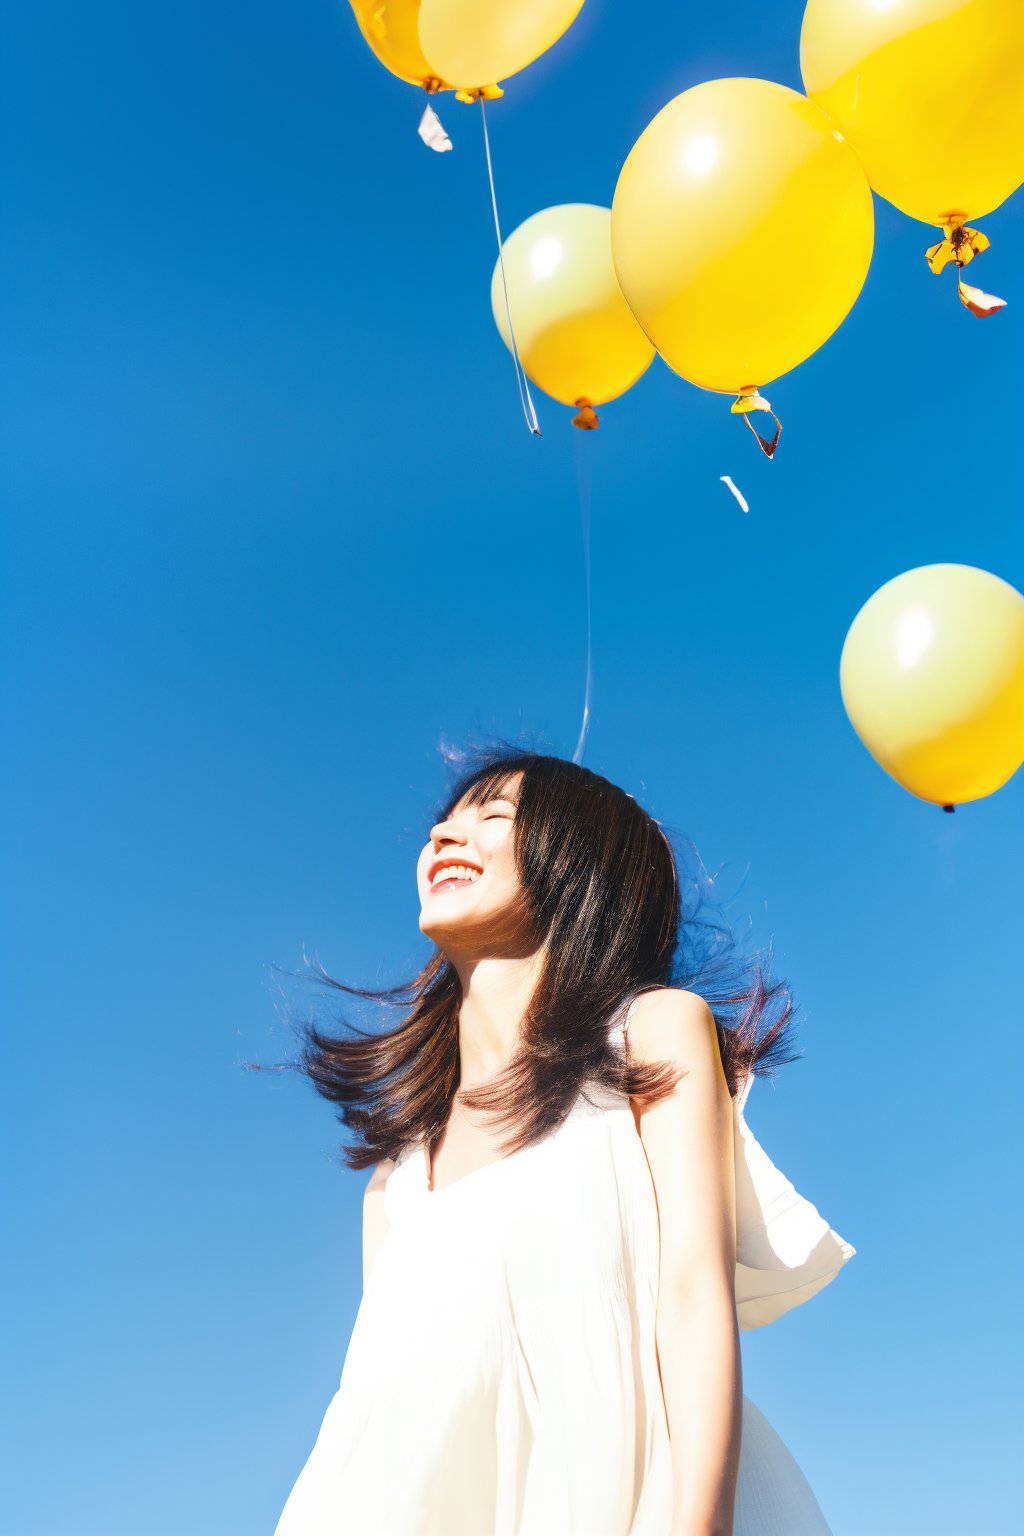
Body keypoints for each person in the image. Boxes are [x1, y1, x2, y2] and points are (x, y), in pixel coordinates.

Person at [271, 745, 854, 1535]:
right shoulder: (393, 1183)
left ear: (579, 866)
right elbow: (385, 1428)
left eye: (492, 816)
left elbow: (692, 1294)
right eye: (441, 823)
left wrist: (700, 1525)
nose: (443, 836)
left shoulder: (652, 1035)